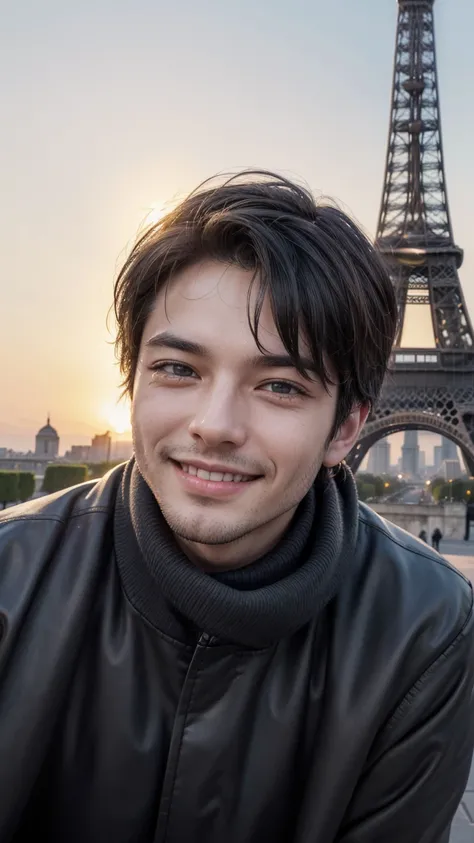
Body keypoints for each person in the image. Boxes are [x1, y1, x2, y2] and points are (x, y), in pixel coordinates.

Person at [1, 171, 473, 843]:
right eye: (179, 369)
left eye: (279, 384)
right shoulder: (6, 577)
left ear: (347, 427)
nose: (216, 424)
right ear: (131, 380)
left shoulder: (429, 633)